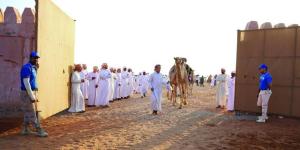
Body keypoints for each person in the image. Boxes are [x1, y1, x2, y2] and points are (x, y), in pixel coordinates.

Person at [20, 51, 48, 137]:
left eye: (37, 58)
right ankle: (39, 129)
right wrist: (32, 96)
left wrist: (36, 69)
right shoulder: (26, 67)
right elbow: (26, 83)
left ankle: (25, 129)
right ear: (30, 58)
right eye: (35, 58)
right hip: (27, 92)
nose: (36, 59)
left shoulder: (33, 67)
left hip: (33, 91)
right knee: (32, 112)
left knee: (28, 111)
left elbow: (32, 80)